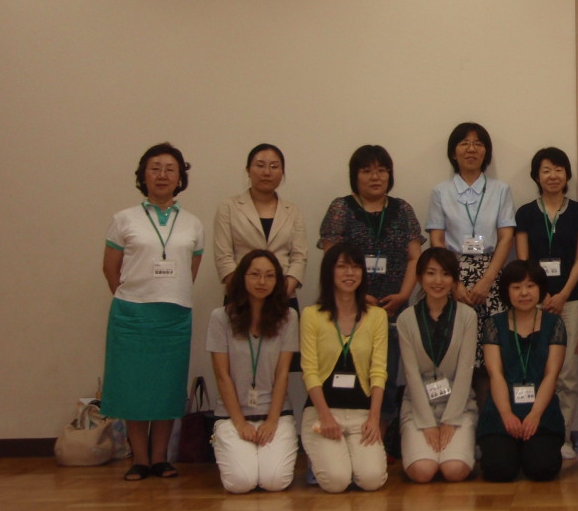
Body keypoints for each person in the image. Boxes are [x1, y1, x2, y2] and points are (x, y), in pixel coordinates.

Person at [101, 142, 204, 481]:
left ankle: (160, 458)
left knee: (166, 387)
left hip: (174, 315)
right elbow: (110, 268)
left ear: (180, 178)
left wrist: (166, 292)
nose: (162, 175)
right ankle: (140, 460)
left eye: (170, 169)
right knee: (133, 386)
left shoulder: (193, 223)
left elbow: (191, 269)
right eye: (155, 168)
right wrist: (133, 295)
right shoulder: (123, 219)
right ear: (143, 175)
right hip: (132, 315)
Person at [318, 145, 424, 438]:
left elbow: (415, 257)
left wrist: (403, 295)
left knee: (385, 374)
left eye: (381, 170)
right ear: (355, 175)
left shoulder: (402, 209)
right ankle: (341, 432)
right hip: (349, 308)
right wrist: (357, 296)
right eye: (367, 171)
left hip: (392, 308)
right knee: (348, 371)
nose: (375, 177)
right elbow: (331, 260)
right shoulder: (340, 208)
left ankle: (378, 434)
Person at [516, 147, 578, 459]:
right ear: (536, 176)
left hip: (570, 300)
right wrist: (543, 294)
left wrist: (562, 295)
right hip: (533, 302)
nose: (553, 176)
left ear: (567, 175)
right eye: (546, 170)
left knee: (567, 373)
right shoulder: (525, 213)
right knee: (533, 368)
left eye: (559, 169)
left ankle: (562, 436)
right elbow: (524, 260)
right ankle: (532, 432)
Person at [207, 250, 298, 493]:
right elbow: (222, 375)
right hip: (232, 414)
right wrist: (240, 423)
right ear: (242, 278)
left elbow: (282, 373)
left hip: (275, 413)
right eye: (255, 274)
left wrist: (272, 420)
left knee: (275, 481)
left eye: (269, 275)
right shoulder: (220, 318)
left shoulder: (289, 318)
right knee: (241, 482)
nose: (262, 281)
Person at [299, 244, 389, 493]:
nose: (350, 273)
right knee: (336, 482)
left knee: (372, 480)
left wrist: (374, 417)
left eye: (356, 267)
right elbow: (310, 371)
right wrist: (325, 416)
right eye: (342, 267)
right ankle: (328, 458)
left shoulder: (377, 316)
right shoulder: (311, 315)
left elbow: (379, 371)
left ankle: (346, 458)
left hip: (362, 414)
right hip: (323, 413)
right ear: (329, 272)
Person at [426, 123, 517, 368]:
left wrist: (487, 281)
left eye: (478, 143)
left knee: (491, 356)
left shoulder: (501, 190)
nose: (471, 149)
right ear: (453, 152)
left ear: (486, 152)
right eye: (464, 143)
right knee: (453, 352)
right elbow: (437, 241)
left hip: (491, 275)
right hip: (450, 273)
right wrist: (453, 283)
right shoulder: (441, 192)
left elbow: (506, 238)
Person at [476, 261, 566, 482]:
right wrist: (507, 414)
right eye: (516, 287)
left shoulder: (554, 323)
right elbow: (495, 374)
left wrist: (535, 415)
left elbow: (551, 375)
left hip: (541, 414)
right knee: (499, 470)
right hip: (501, 413)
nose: (524, 293)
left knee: (542, 468)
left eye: (530, 286)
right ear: (506, 291)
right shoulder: (494, 324)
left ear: (540, 289)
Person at [397, 247, 478, 483]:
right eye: (431, 273)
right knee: (423, 471)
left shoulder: (467, 316)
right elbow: (411, 374)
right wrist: (428, 423)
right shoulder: (406, 319)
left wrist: (450, 420)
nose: (438, 281)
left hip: (458, 406)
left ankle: (462, 444)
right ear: (420, 278)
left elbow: (465, 372)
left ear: (454, 280)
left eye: (445, 274)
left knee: (454, 470)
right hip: (418, 407)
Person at [213, 143, 307, 305]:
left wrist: (280, 293)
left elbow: (299, 258)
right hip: (240, 298)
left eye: (274, 166)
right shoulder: (228, 207)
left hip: (283, 298)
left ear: (282, 173)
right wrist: (245, 292)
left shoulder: (293, 211)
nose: (267, 172)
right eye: (260, 165)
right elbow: (223, 257)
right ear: (248, 170)